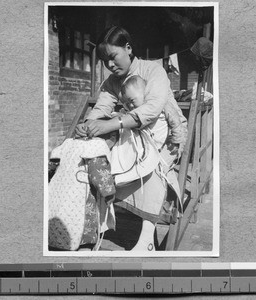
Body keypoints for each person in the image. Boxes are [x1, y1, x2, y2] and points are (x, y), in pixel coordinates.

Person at [75, 26, 188, 251]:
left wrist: (113, 123)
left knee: (155, 170)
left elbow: (154, 109)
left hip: (166, 134)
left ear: (128, 48)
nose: (109, 65)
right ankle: (91, 228)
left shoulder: (154, 71)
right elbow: (101, 108)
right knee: (104, 162)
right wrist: (87, 125)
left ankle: (146, 241)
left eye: (113, 57)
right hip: (138, 135)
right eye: (104, 60)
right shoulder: (112, 82)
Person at [120, 74, 185, 157]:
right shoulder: (133, 110)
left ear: (145, 93)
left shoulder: (161, 104)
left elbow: (176, 122)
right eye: (128, 103)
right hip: (145, 147)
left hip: (164, 145)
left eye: (132, 101)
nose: (131, 106)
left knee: (164, 165)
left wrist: (177, 140)